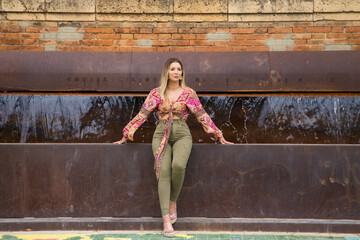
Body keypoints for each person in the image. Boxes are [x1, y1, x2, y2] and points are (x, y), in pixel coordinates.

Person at [113, 57, 233, 237]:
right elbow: (143, 114)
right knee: (162, 171)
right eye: (173, 69)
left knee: (178, 166)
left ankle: (172, 202)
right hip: (161, 133)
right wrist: (126, 133)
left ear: (182, 73)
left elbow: (201, 115)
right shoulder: (156, 93)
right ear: (167, 72)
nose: (176, 72)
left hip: (182, 132)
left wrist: (218, 134)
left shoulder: (188, 93)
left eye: (179, 69)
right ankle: (166, 220)